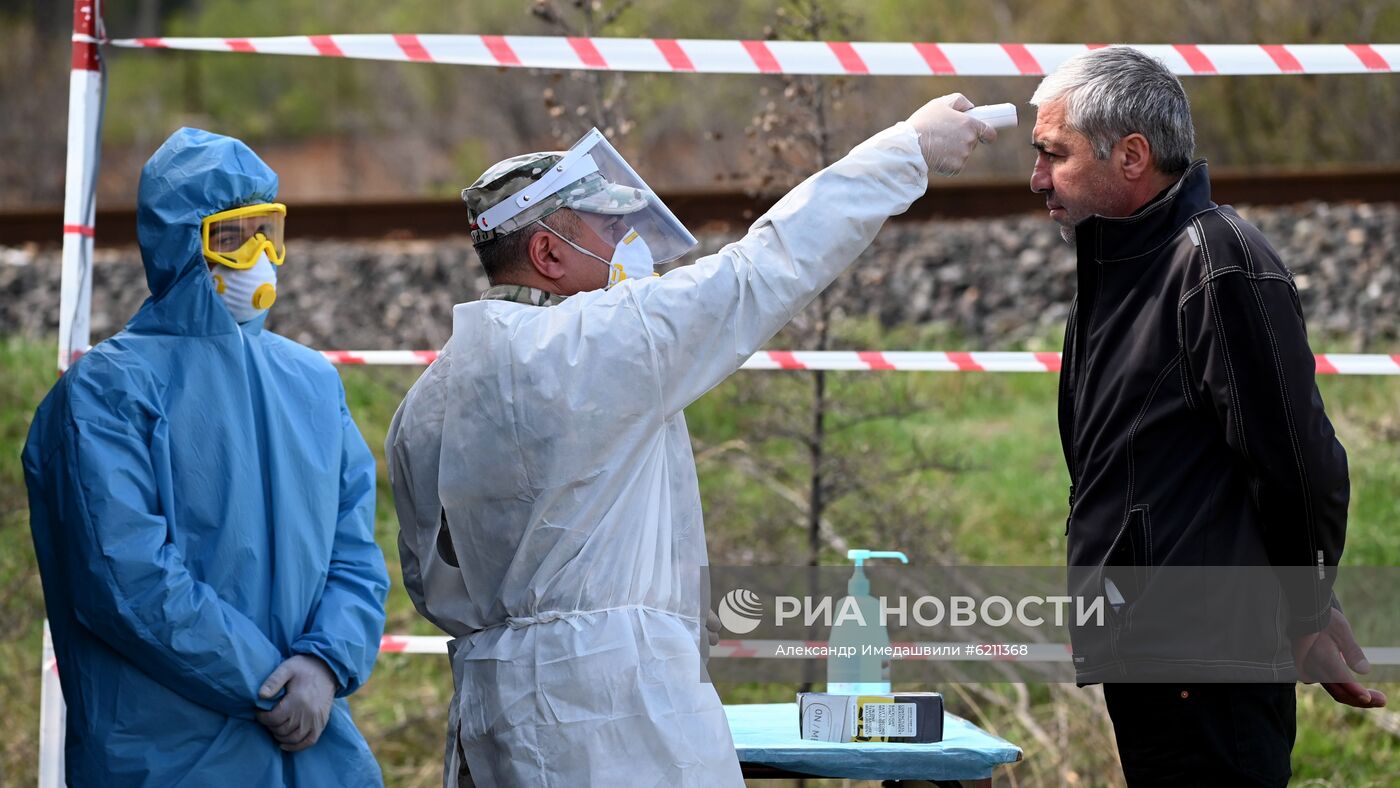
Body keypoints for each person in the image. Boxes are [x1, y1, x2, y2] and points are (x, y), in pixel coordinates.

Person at [386, 97, 996, 786]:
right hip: (613, 713)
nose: (629, 243)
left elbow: (428, 578)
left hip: (492, 711)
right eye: (609, 227)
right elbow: (766, 266)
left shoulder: (425, 401)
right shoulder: (599, 338)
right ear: (548, 252)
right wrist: (906, 149)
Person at [1029, 47, 1386, 786]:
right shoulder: (1121, 267)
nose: (1037, 178)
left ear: (1132, 156)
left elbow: (1300, 463)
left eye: (1054, 154)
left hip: (1202, 660)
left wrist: (1307, 608)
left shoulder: (1215, 262)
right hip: (1156, 650)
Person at [23, 127, 390, 787]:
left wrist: (326, 662)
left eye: (267, 232)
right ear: (180, 244)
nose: (259, 256)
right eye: (232, 237)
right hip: (172, 754)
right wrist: (276, 685)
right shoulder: (108, 389)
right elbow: (127, 580)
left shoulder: (311, 380)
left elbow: (354, 549)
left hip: (312, 751)